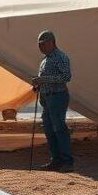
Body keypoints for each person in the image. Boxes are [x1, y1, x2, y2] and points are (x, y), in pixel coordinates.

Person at [32, 30, 73, 172]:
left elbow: (66, 77)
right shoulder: (44, 60)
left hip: (58, 96)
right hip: (47, 98)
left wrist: (43, 79)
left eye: (43, 44)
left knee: (59, 129)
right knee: (49, 130)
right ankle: (56, 160)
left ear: (51, 42)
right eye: (39, 45)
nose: (40, 47)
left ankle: (67, 161)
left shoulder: (61, 57)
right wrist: (38, 84)